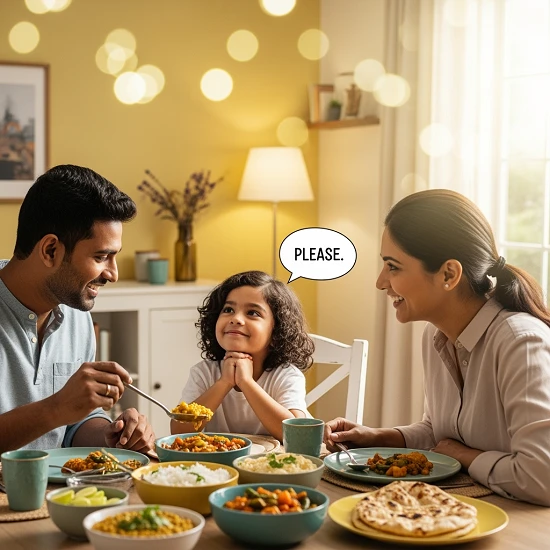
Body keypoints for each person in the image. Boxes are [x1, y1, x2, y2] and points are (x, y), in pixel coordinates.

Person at [325, 189, 550, 507]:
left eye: (393, 267)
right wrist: (379, 437)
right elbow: (441, 431)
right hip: (467, 508)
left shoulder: (521, 343)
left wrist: (464, 456)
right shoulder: (436, 336)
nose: (380, 282)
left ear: (448, 274)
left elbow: (542, 478)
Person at [0, 164, 155, 454]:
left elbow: (73, 424)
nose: (113, 274)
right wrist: (57, 408)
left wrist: (111, 434)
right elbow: (60, 412)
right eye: (101, 257)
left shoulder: (76, 312)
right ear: (50, 251)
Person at [171, 270, 314, 441]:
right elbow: (178, 433)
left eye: (252, 313)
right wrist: (224, 382)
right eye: (228, 309)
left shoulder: (286, 376)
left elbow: (298, 436)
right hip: (216, 466)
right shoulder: (204, 373)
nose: (236, 319)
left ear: (277, 333)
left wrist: (246, 383)